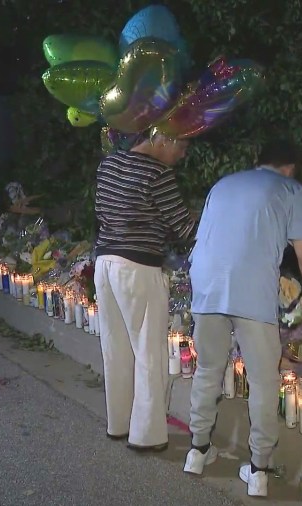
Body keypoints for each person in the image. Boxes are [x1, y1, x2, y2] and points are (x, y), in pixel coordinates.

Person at [183, 139, 302, 497]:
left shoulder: (223, 184)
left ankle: (197, 452)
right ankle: (258, 470)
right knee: (262, 380)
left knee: (208, 369)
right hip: (252, 290)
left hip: (206, 282)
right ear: (290, 167)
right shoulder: (292, 190)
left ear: (259, 161)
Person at [94, 132, 195, 452]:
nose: (181, 154)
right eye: (181, 145)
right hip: (139, 267)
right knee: (149, 352)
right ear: (161, 137)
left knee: (116, 348)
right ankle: (146, 435)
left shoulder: (107, 164)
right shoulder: (158, 174)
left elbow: (101, 212)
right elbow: (184, 228)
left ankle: (118, 424)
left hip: (105, 263)